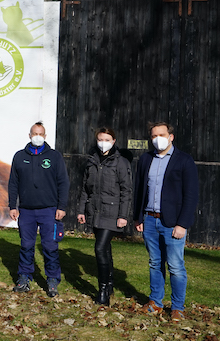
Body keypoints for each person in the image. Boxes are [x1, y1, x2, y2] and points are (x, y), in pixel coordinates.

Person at [134, 122, 198, 322]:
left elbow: (191, 195)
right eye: (153, 136)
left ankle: (178, 307)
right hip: (149, 220)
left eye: (161, 134)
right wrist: (138, 217)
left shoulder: (184, 161)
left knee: (176, 265)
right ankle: (155, 302)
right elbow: (139, 190)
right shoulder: (145, 159)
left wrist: (183, 224)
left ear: (171, 136)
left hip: (173, 223)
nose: (157, 139)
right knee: (154, 263)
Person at [8, 121, 69, 297]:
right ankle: (24, 277)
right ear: (29, 135)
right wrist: (13, 206)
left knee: (50, 246)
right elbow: (13, 183)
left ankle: (52, 279)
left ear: (45, 136)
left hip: (49, 210)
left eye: (40, 134)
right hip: (26, 211)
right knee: (26, 245)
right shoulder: (19, 156)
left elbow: (63, 183)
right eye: (34, 133)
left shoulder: (54, 156)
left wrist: (61, 206)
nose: (37, 136)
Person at [77, 127, 132, 306]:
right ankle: (109, 284)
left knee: (99, 248)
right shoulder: (91, 161)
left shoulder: (121, 163)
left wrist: (123, 215)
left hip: (112, 213)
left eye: (107, 139)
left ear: (113, 141)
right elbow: (85, 189)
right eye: (100, 139)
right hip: (95, 212)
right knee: (105, 249)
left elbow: (126, 191)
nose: (103, 142)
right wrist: (81, 210)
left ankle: (102, 291)